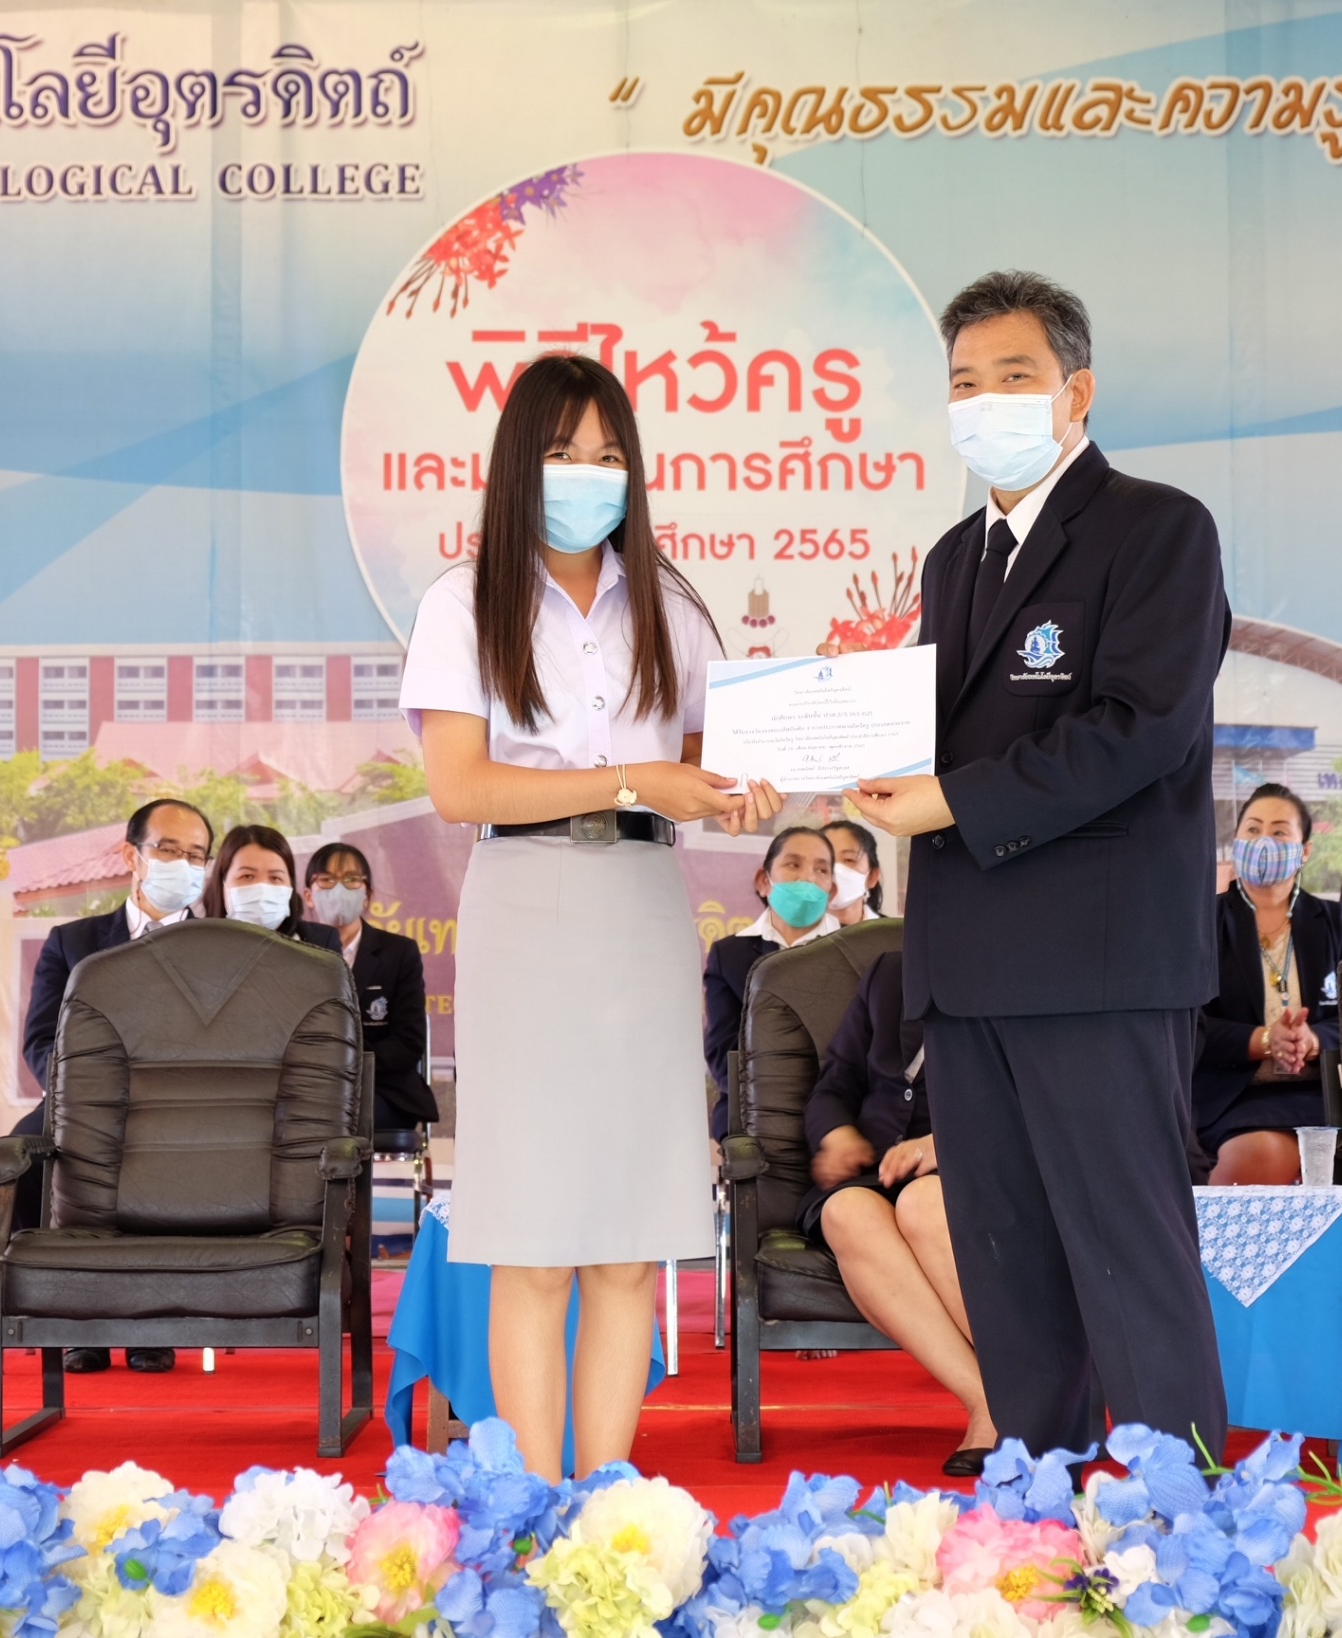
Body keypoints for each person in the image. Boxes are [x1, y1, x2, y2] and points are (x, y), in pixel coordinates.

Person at [853, 270, 1229, 1455]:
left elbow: (1138, 727)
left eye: (1010, 378)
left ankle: (1182, 1536)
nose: (983, 403)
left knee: (1127, 1258)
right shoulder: (954, 557)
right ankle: (1035, 1509)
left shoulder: (1156, 528)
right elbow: (927, 736)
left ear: (1075, 391)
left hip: (1097, 963)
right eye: (962, 383)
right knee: (1008, 1271)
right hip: (967, 970)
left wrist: (947, 798)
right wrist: (829, 745)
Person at [399, 352, 780, 1482]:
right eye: (564, 453)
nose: (588, 473)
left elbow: (711, 766)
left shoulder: (670, 603)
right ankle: (531, 1505)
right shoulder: (461, 601)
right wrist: (628, 778)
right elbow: (461, 789)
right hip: (522, 907)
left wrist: (756, 783)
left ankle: (604, 1505)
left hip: (643, 914)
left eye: (608, 454)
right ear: (521, 461)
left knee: (625, 1241)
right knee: (534, 1242)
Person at [13, 795, 216, 1376]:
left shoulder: (226, 948)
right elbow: (41, 1041)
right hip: (86, 1107)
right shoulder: (72, 942)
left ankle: (155, 1323)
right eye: (168, 849)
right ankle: (74, 1322)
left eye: (196, 854)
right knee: (25, 1155)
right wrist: (85, 1098)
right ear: (132, 854)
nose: (183, 862)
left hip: (187, 1109)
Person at [804, 949, 995, 1475]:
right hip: (876, 1172)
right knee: (844, 1212)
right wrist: (836, 1132)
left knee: (923, 1202)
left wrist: (946, 1144)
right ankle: (989, 1401)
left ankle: (1033, 1391)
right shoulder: (890, 971)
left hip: (980, 1168)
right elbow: (835, 1081)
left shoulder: (1029, 971)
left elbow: (1042, 1099)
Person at [1194, 785, 1342, 1184]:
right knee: (1256, 1156)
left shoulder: (1339, 924)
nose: (1263, 841)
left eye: (1280, 831)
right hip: (1233, 1094)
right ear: (1235, 843)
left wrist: (1312, 1040)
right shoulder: (1200, 924)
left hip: (1322, 1092)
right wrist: (1266, 1040)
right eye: (1252, 829)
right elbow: (1187, 1026)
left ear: (1305, 850)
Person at [702, 826, 839, 1136]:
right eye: (793, 864)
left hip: (837, 1114)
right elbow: (724, 1053)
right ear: (764, 881)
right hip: (751, 1114)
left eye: (821, 869)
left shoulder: (856, 951)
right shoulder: (730, 955)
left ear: (832, 891)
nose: (808, 878)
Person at [305, 841, 437, 1134]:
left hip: (382, 1089)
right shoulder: (291, 949)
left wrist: (347, 1067)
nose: (339, 888)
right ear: (308, 895)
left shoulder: (399, 953)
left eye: (351, 879)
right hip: (307, 1088)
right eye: (326, 879)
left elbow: (408, 1041)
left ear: (367, 895)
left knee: (337, 1121)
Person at [200, 824, 343, 953]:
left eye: (275, 878)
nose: (262, 888)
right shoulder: (196, 946)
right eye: (247, 876)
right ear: (222, 883)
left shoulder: (322, 943)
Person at [822, 818, 888, 925]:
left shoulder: (896, 936)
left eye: (849, 860)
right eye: (825, 860)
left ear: (872, 876)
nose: (835, 870)